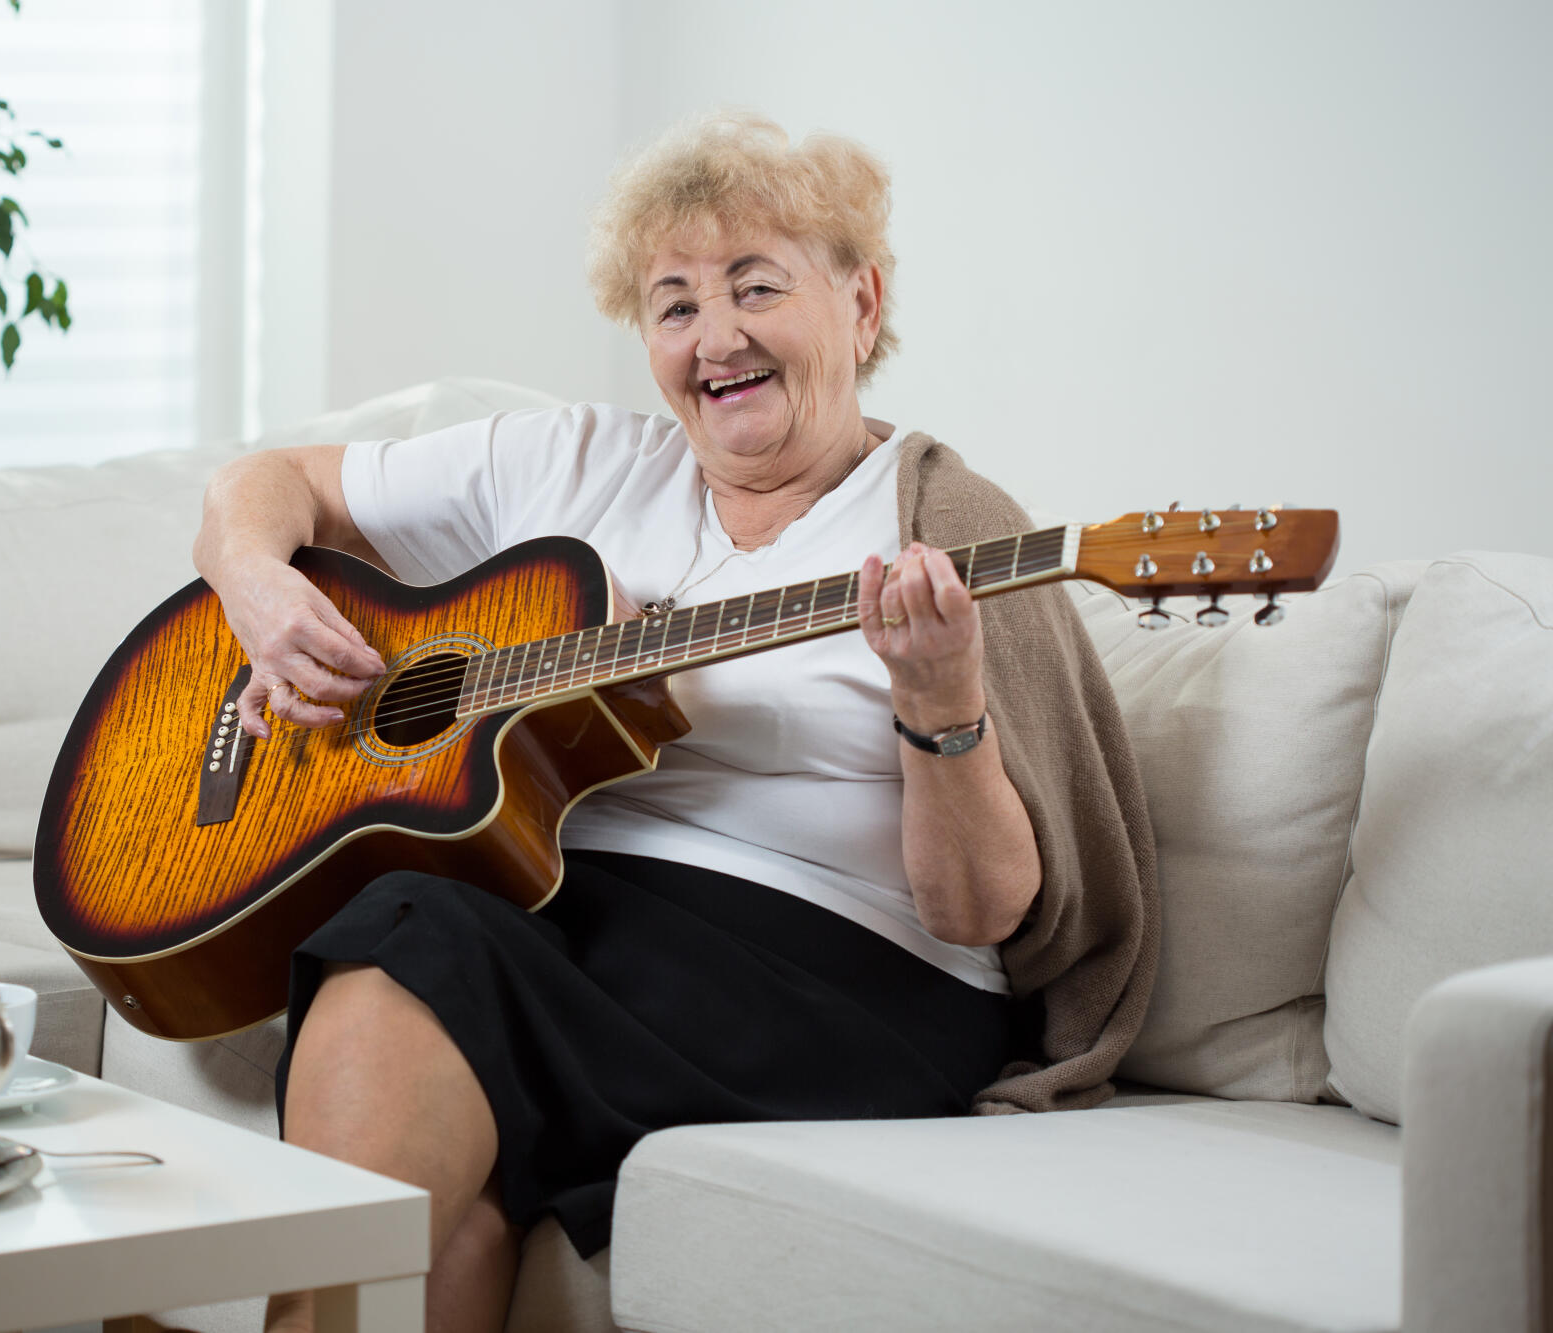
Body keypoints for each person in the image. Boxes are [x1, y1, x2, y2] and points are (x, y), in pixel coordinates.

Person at [193, 112, 1157, 1333]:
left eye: (757, 286)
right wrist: (259, 584)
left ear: (860, 305)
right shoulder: (579, 463)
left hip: (849, 976)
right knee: (422, 1026)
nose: (718, 337)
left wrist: (939, 704)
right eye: (674, 304)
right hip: (575, 922)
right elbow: (263, 485)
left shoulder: (942, 519)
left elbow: (982, 916)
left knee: (409, 938)